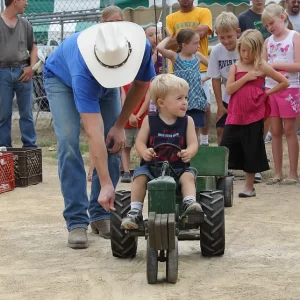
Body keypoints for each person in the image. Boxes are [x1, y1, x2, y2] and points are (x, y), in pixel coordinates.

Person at [43, 21, 155, 249]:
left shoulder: (141, 46)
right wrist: (105, 183)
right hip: (61, 79)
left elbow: (141, 86)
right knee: (68, 141)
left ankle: (99, 214)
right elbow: (93, 133)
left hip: (103, 82)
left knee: (113, 140)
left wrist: (120, 125)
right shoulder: (83, 68)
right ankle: (76, 221)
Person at [121, 74, 200, 229]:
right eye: (179, 98)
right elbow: (140, 142)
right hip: (152, 168)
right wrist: (144, 152)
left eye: (186, 97)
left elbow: (193, 144)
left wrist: (189, 153)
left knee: (189, 177)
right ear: (161, 103)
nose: (185, 102)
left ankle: (189, 203)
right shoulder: (149, 120)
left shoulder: (187, 121)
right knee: (139, 177)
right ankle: (135, 212)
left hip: (178, 168)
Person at [221, 29, 289, 197]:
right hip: (235, 115)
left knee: (252, 148)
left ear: (257, 49)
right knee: (226, 147)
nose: (245, 54)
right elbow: (229, 89)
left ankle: (249, 186)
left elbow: (284, 82)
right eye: (242, 50)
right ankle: (220, 183)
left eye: (249, 51)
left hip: (254, 115)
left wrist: (266, 93)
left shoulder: (262, 66)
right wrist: (245, 78)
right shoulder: (235, 67)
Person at [262, 4, 300, 185]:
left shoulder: (295, 37)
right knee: (275, 132)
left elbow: (298, 65)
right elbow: (262, 66)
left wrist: (275, 65)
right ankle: (277, 173)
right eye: (267, 26)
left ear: (282, 17)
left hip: (291, 88)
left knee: (290, 131)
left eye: (272, 23)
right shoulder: (267, 42)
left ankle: (293, 173)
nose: (270, 28)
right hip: (271, 90)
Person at [166, 0, 212, 146]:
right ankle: (181, 145)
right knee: (179, 110)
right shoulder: (170, 17)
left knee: (204, 106)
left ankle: (203, 141)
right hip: (179, 72)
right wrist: (191, 33)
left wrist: (179, 37)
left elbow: (203, 31)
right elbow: (169, 43)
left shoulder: (204, 12)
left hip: (199, 70)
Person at [238, 0, 272, 183]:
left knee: (262, 119)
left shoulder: (272, 14)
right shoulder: (243, 17)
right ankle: (249, 161)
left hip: (264, 73)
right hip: (249, 73)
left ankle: (259, 154)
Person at [157, 29, 208, 140]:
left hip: (196, 99)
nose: (198, 46)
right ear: (184, 45)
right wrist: (169, 37)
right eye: (195, 43)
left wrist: (205, 78)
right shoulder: (175, 56)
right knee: (179, 130)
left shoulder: (198, 56)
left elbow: (213, 67)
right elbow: (159, 48)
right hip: (180, 100)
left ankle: (194, 151)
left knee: (194, 131)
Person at [0, 0, 38, 148]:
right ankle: (4, 149)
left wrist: (32, 68)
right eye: (24, 0)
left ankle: (30, 148)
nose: (27, 3)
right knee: (3, 114)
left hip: (23, 71)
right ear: (15, 1)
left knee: (27, 113)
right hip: (2, 72)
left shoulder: (25, 24)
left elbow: (33, 47)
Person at [206, 12, 240, 145]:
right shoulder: (216, 51)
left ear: (237, 32)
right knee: (221, 128)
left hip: (244, 94)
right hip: (227, 96)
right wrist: (220, 105)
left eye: (230, 36)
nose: (226, 41)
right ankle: (224, 162)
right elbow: (215, 78)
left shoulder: (245, 46)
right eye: (222, 37)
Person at [120, 82, 150, 183]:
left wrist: (137, 116)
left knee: (142, 146)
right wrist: (130, 115)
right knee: (125, 147)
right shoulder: (124, 82)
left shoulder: (147, 82)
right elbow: (122, 100)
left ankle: (144, 169)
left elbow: (147, 100)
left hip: (142, 122)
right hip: (127, 120)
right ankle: (126, 171)